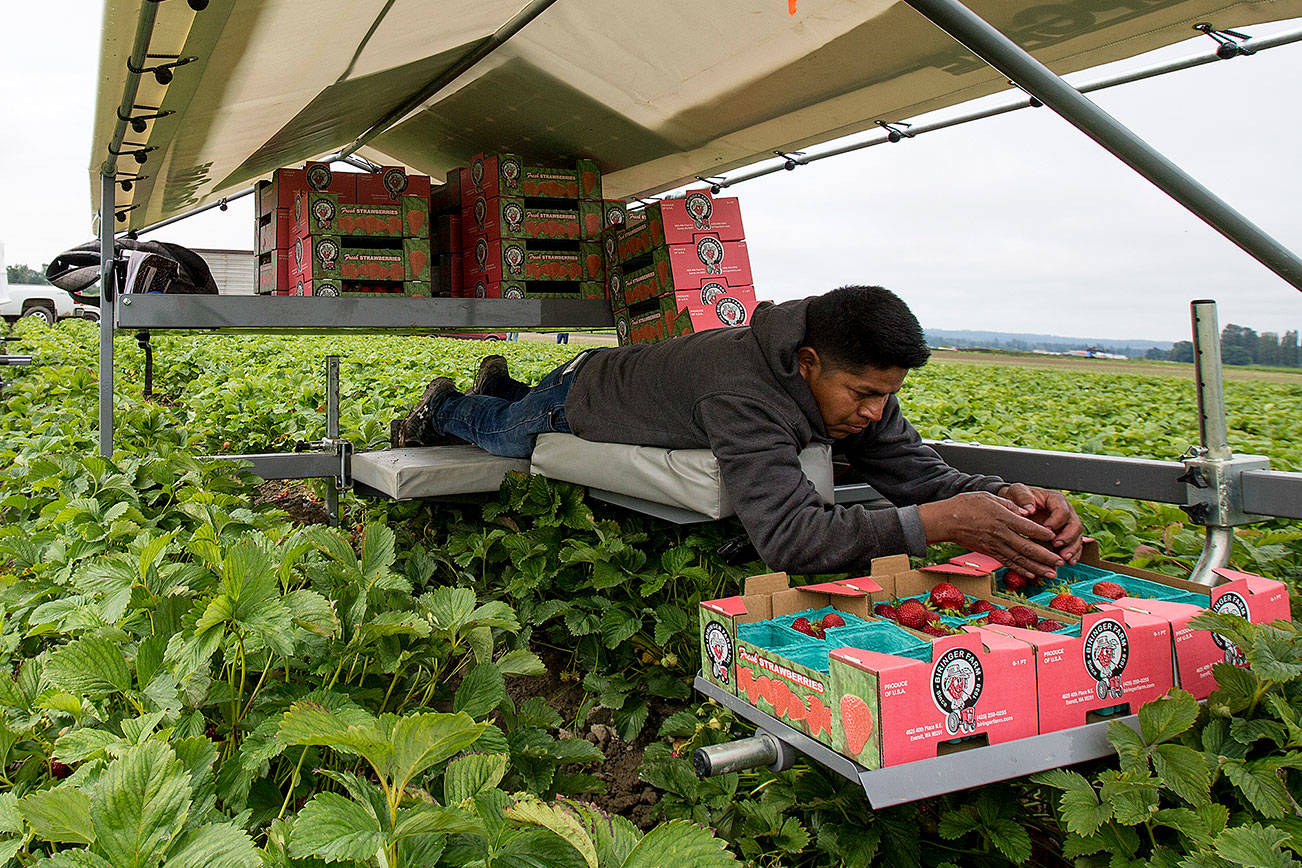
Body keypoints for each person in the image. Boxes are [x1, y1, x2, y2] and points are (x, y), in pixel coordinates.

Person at [395, 286, 1083, 577]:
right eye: (865, 395)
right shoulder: (742, 389)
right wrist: (944, 523)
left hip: (644, 387)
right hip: (589, 392)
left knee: (512, 412)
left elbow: (922, 476)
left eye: (888, 398)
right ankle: (450, 404)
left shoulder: (853, 387)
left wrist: (1003, 495)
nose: (876, 413)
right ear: (808, 363)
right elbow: (790, 538)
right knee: (512, 435)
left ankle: (499, 387)